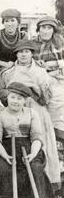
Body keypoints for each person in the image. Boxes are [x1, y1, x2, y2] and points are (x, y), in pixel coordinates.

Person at [0, 40, 61, 193]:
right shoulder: (8, 72)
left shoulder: (40, 71)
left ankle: (47, 186)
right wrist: (15, 93)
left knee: (41, 144)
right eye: (20, 52)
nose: (23, 54)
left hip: (37, 110)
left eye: (27, 51)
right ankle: (21, 190)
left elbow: (47, 97)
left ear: (32, 53)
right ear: (16, 54)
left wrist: (35, 92)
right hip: (14, 112)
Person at [0, 82, 58, 198]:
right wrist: (5, 156)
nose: (15, 101)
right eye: (13, 97)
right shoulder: (0, 114)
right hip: (7, 148)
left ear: (25, 100)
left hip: (29, 148)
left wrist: (32, 154)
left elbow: (37, 137)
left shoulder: (31, 113)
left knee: (35, 168)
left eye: (20, 98)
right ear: (7, 97)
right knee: (4, 169)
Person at [32, 16, 64, 176]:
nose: (46, 31)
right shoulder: (32, 43)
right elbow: (27, 60)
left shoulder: (60, 43)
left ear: (53, 30)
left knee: (58, 119)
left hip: (58, 83)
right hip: (40, 83)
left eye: (49, 28)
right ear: (39, 29)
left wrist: (54, 66)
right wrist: (39, 66)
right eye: (43, 28)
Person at [0, 9, 27, 83]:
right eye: (6, 21)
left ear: (18, 22)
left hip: (19, 69)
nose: (9, 24)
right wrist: (4, 64)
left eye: (12, 20)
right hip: (0, 71)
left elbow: (27, 54)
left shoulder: (23, 36)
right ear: (3, 23)